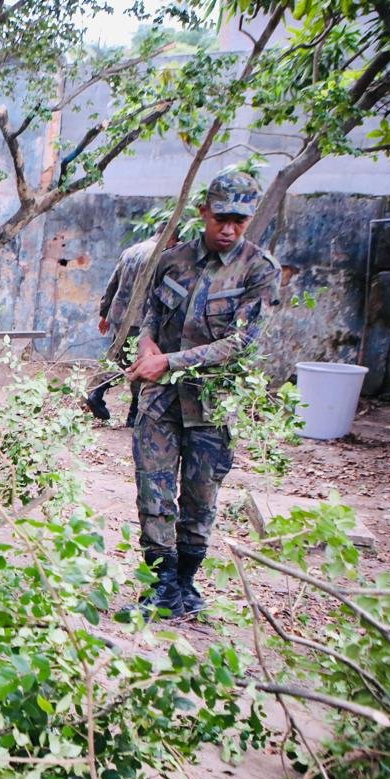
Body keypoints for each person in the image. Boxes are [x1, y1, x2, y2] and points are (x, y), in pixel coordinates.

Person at [123, 170, 279, 618]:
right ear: (203, 212)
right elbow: (151, 314)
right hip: (160, 402)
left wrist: (168, 362)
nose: (229, 229)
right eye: (221, 218)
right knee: (153, 493)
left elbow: (241, 343)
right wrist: (146, 343)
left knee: (200, 499)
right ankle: (161, 586)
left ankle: (186, 585)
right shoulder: (173, 260)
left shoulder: (259, 270)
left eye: (239, 221)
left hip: (211, 407)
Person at [87, 227, 179, 427]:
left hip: (121, 315)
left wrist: (104, 313)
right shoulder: (163, 255)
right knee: (137, 363)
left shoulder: (131, 251)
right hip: (143, 319)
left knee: (120, 359)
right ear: (172, 239)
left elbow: (113, 283)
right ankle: (132, 415)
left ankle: (97, 393)